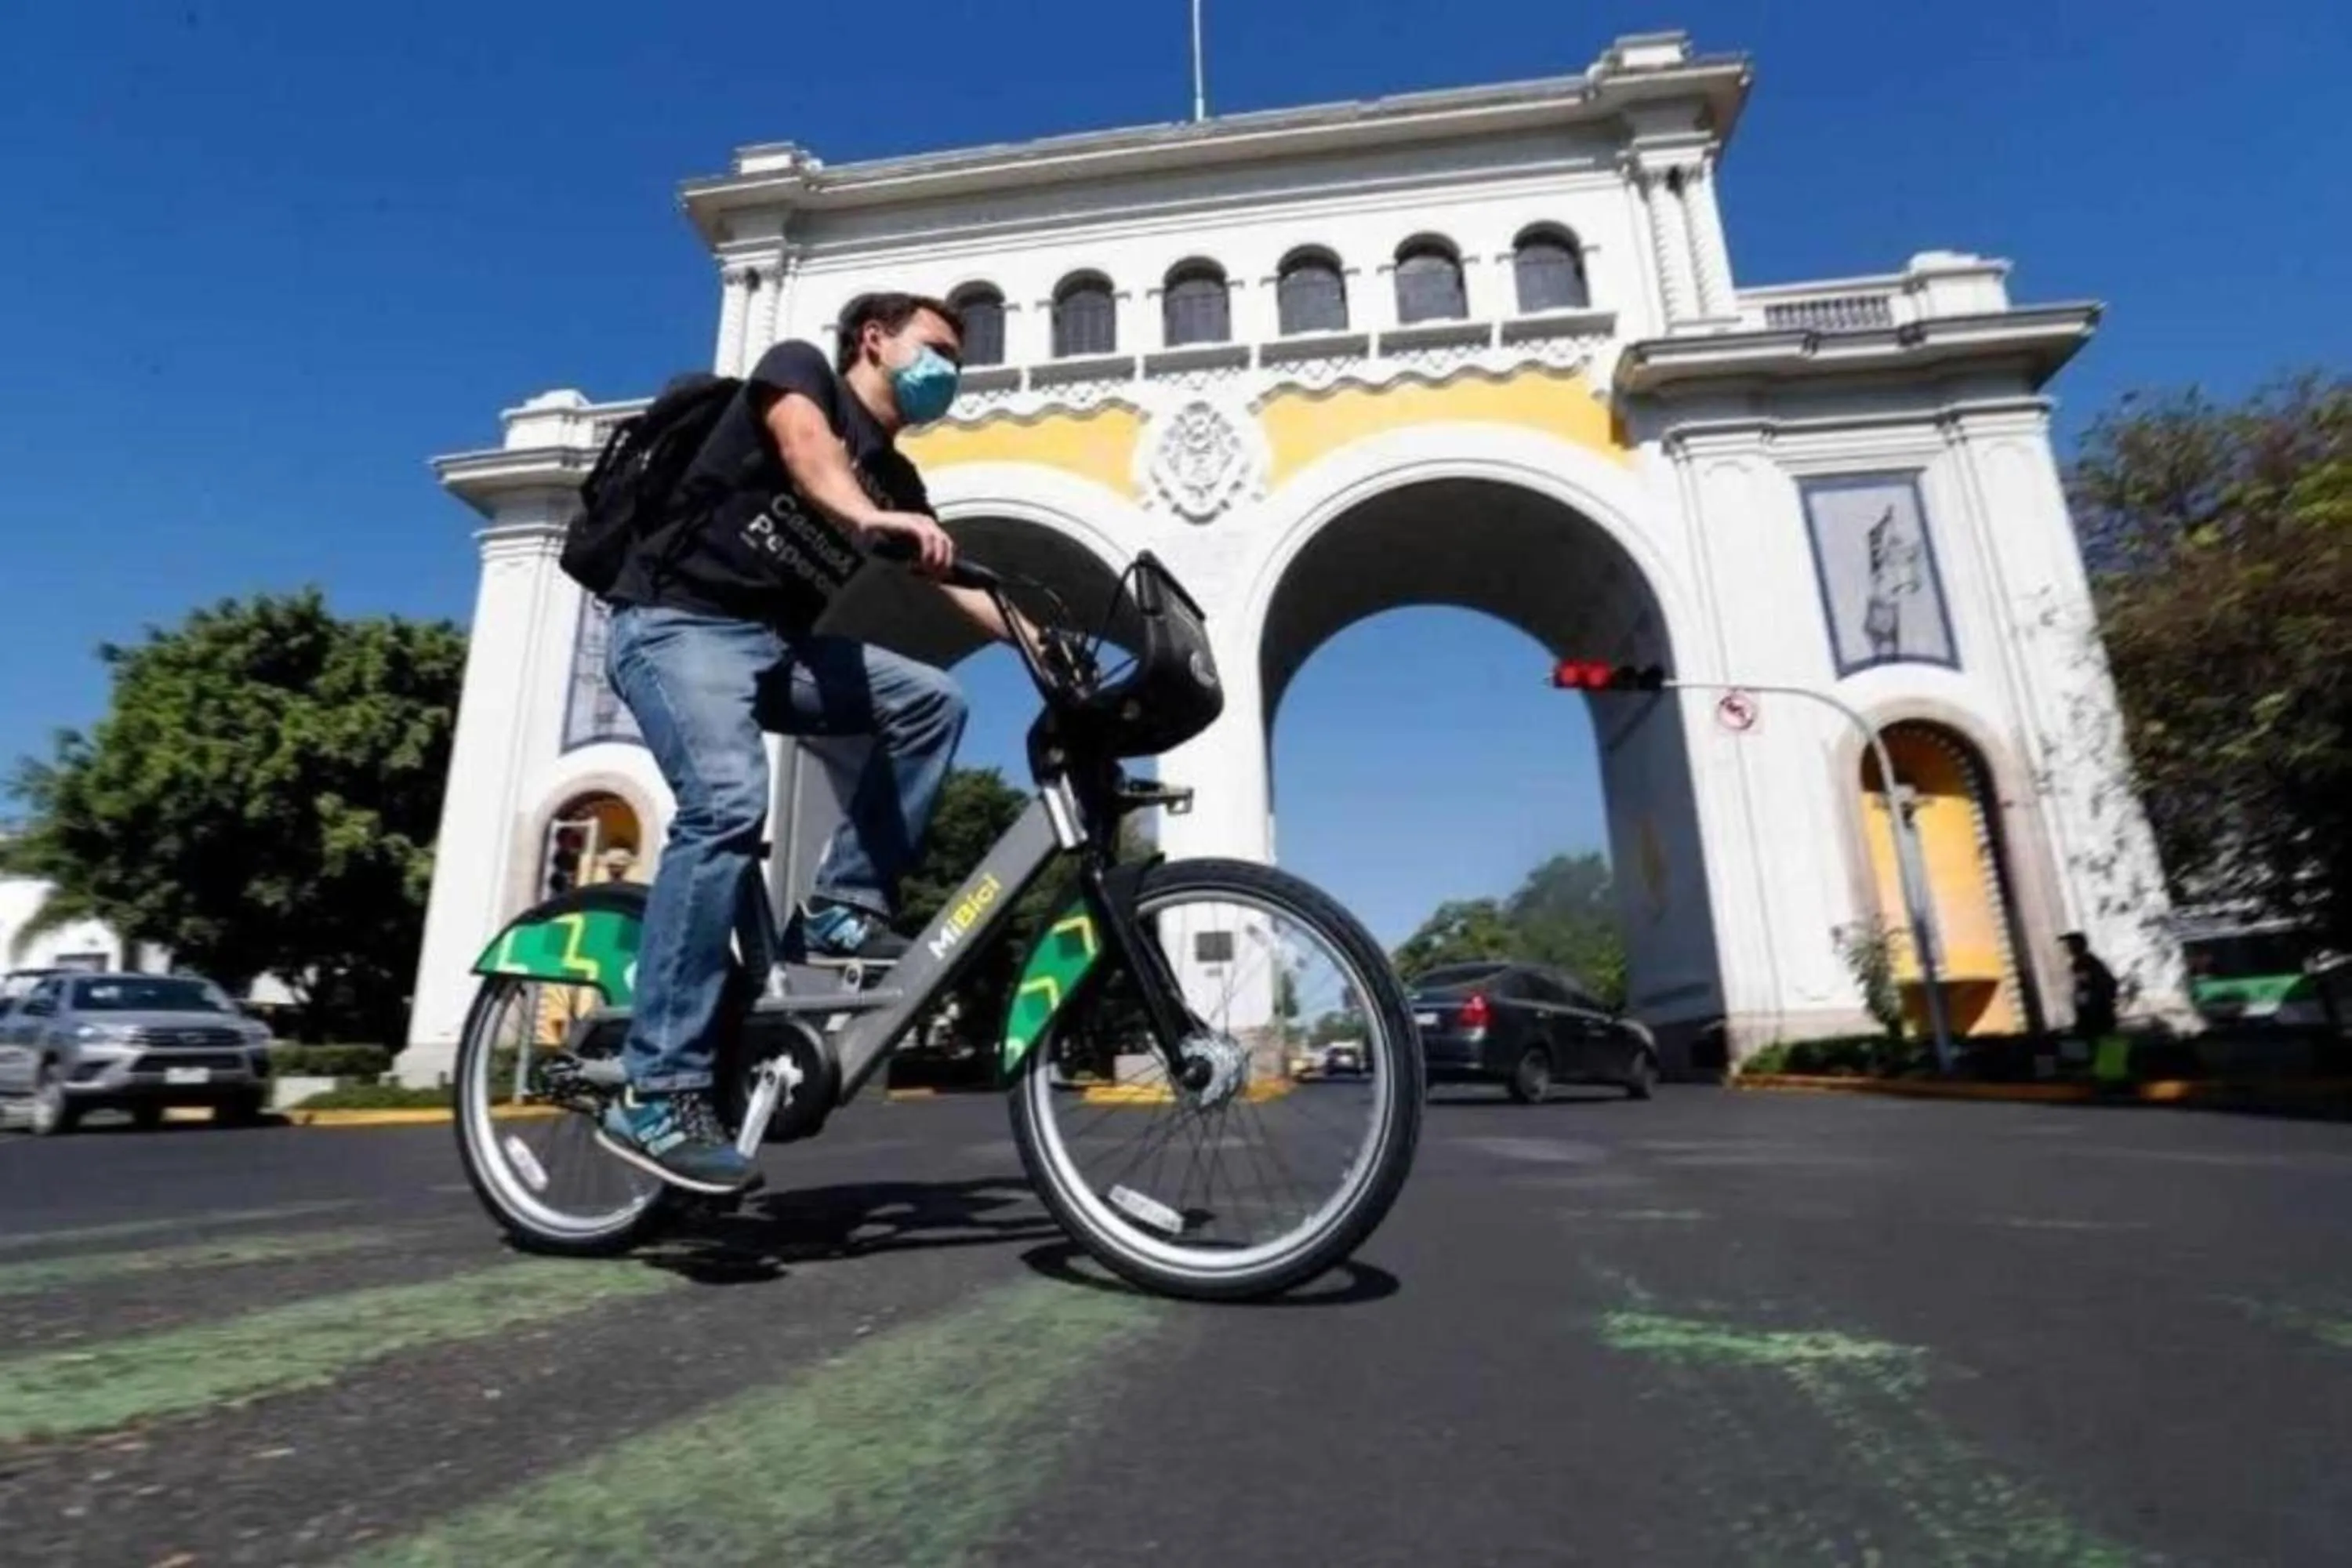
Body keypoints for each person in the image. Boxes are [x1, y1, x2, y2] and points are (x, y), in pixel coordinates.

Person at [595, 292, 1042, 1194]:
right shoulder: (800, 370)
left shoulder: (897, 479)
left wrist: (1049, 643)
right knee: (727, 801)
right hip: (677, 624)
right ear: (876, 341)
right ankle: (658, 1086)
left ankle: (841, 906)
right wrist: (864, 518)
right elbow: (807, 455)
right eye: (938, 350)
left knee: (931, 702)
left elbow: (961, 585)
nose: (949, 373)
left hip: (775, 651)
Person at [2062, 931, 2119, 1041]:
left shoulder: (2082, 963)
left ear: (2077, 945)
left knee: (2096, 1052)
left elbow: (2084, 991)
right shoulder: (2091, 961)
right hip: (2102, 1019)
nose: (2067, 948)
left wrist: (2083, 1016)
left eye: (2070, 944)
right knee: (2109, 1050)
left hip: (2096, 1020)